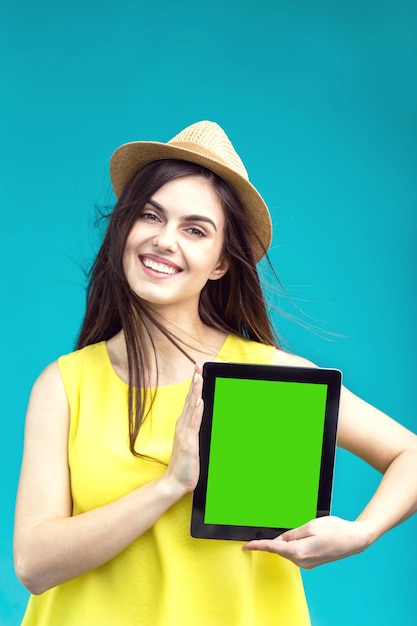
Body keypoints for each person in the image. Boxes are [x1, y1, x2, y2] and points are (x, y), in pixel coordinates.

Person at [14, 121, 417, 626]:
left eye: (195, 230)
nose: (164, 240)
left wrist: (362, 533)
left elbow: (411, 454)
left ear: (222, 262)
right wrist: (170, 484)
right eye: (149, 215)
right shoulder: (66, 385)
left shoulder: (270, 380)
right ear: (124, 228)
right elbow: (33, 563)